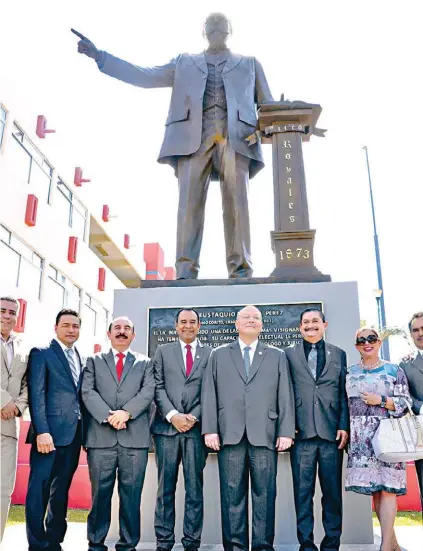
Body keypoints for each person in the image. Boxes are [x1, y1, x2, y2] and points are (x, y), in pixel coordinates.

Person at [75, 12, 273, 280]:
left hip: (237, 139)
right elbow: (144, 76)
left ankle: (241, 271)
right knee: (188, 206)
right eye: (211, 26)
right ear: (204, 32)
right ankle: (185, 271)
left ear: (230, 32)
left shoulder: (249, 64)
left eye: (221, 26)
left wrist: (291, 120)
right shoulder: (184, 62)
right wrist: (101, 56)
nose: (216, 29)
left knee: (238, 204)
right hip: (192, 139)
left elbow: (269, 105)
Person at [201, 305, 295, 551]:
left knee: (265, 496)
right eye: (246, 317)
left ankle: (263, 547)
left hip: (265, 435)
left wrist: (285, 431)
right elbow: (209, 393)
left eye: (256, 317)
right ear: (236, 323)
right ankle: (234, 547)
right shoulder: (218, 354)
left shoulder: (276, 355)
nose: (251, 320)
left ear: (262, 325)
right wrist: (210, 429)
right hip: (229, 435)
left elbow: (284, 394)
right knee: (232, 497)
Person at [81, 316, 155, 551]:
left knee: (131, 496)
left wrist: (126, 413)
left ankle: (128, 545)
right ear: (109, 333)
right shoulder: (93, 361)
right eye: (117, 328)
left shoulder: (146, 363)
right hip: (100, 439)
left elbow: (148, 392)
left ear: (133, 335)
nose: (122, 332)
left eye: (127, 329)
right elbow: (87, 391)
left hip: (134, 440)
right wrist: (108, 415)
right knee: (99, 496)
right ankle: (95, 543)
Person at [285, 308, 349, 551]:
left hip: (332, 434)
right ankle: (307, 545)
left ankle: (331, 544)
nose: (310, 325)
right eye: (305, 322)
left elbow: (343, 392)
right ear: (300, 327)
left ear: (324, 324)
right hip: (301, 436)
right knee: (303, 496)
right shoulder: (288, 354)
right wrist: (288, 427)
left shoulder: (339, 354)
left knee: (332, 495)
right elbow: (284, 394)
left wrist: (344, 425)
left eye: (315, 321)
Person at [346, 327, 411, 551]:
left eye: (371, 338)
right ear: (356, 346)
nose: (367, 343)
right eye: (361, 340)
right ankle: (391, 542)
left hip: (388, 436)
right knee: (375, 489)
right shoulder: (349, 372)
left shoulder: (394, 370)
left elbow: (405, 404)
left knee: (388, 489)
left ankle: (384, 546)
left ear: (379, 342)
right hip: (361, 440)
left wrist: (381, 400)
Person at [151, 308, 211, 551]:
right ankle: (164, 543)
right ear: (176, 326)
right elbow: (157, 386)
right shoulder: (163, 352)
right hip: (166, 431)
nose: (188, 326)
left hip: (195, 433)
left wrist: (193, 417)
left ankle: (191, 543)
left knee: (194, 491)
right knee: (165, 490)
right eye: (183, 322)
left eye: (192, 322)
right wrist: (173, 415)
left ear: (199, 326)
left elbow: (211, 390)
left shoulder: (210, 354)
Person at [26, 309, 83, 551]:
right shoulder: (42, 353)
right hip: (47, 435)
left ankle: (55, 539)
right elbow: (36, 395)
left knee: (61, 490)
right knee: (39, 490)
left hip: (73, 435)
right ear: (56, 327)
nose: (71, 330)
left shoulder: (81, 356)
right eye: (67, 325)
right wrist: (42, 430)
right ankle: (38, 544)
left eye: (76, 326)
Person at [0, 296, 28, 540]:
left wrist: (17, 407)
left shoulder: (22, 347)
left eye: (12, 312)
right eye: (2, 311)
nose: (7, 316)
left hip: (9, 428)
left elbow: (27, 383)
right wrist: (4, 401)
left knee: (3, 490)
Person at [399, 312, 423, 521]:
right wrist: (421, 407)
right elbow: (404, 396)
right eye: (415, 330)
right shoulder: (405, 364)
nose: (420, 333)